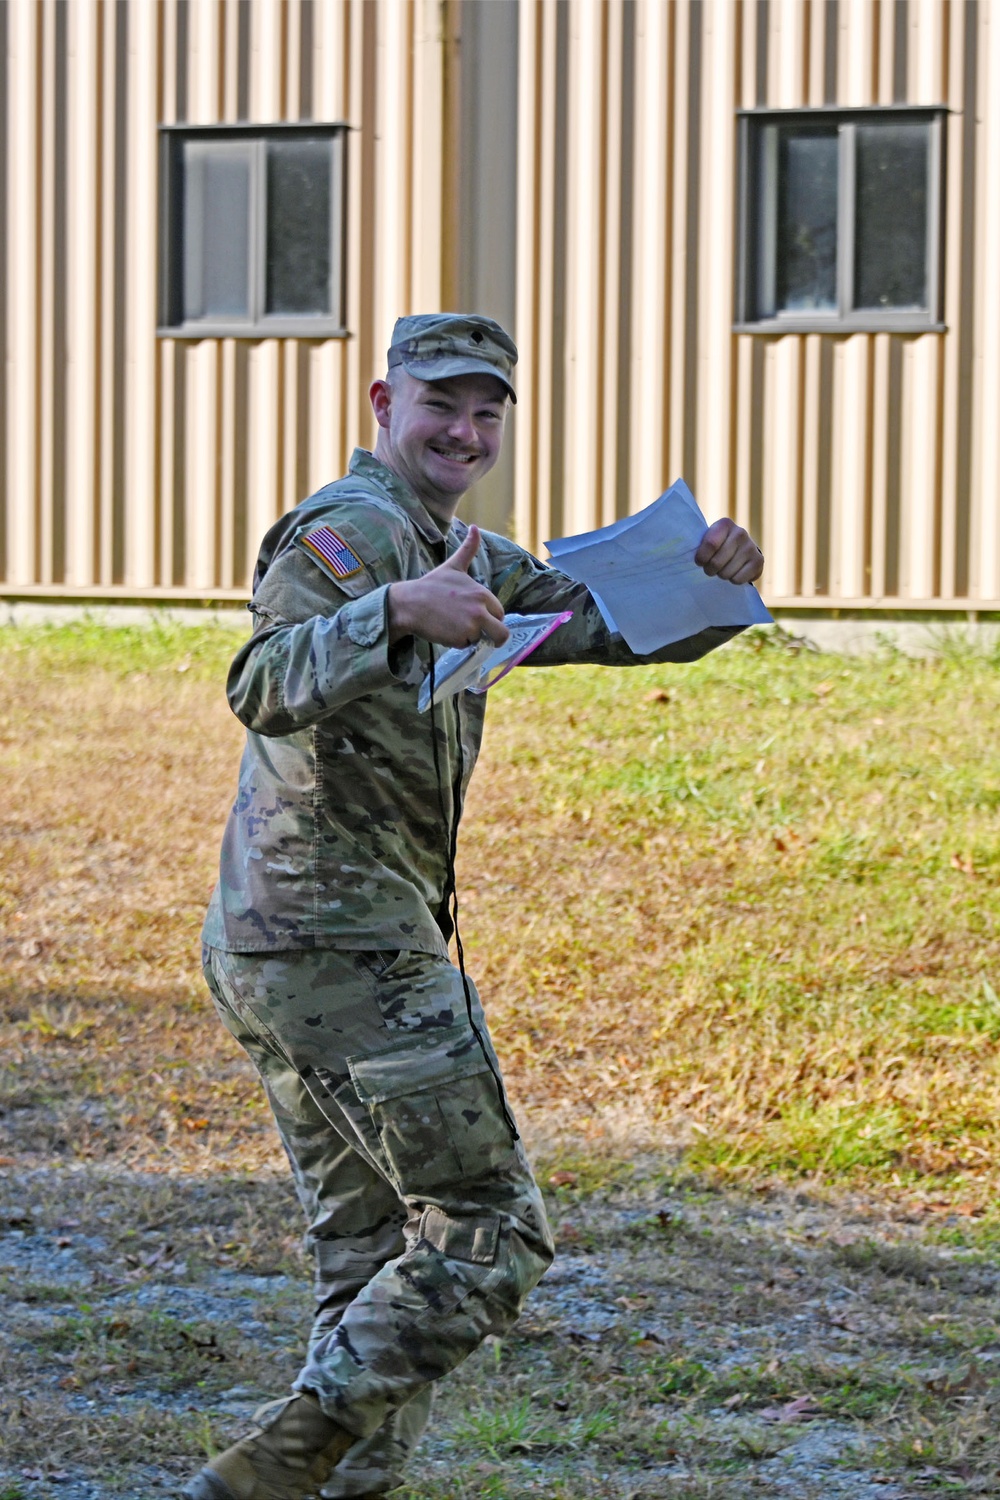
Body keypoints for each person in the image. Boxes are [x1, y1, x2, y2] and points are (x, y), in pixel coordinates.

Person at [183, 313, 764, 1500]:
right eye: (439, 403)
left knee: (371, 1256)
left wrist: (712, 581)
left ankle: (330, 1486)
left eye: (486, 411)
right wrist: (393, 613)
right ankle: (272, 1465)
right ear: (381, 404)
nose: (465, 431)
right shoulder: (354, 531)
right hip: (336, 943)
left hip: (302, 940)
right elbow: (261, 680)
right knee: (490, 1228)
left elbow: (608, 623)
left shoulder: (460, 547)